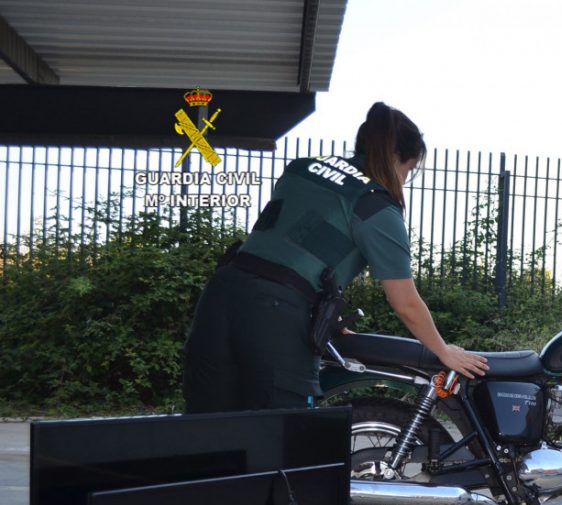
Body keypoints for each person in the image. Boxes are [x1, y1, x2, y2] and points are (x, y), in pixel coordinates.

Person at [182, 101, 489, 413]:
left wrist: (324, 314)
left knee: (208, 424)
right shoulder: (375, 205)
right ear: (396, 157)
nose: (405, 179)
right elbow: (406, 303)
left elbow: (297, 246)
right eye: (409, 170)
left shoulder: (301, 168)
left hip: (221, 293)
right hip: (276, 314)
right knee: (284, 430)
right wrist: (443, 350)